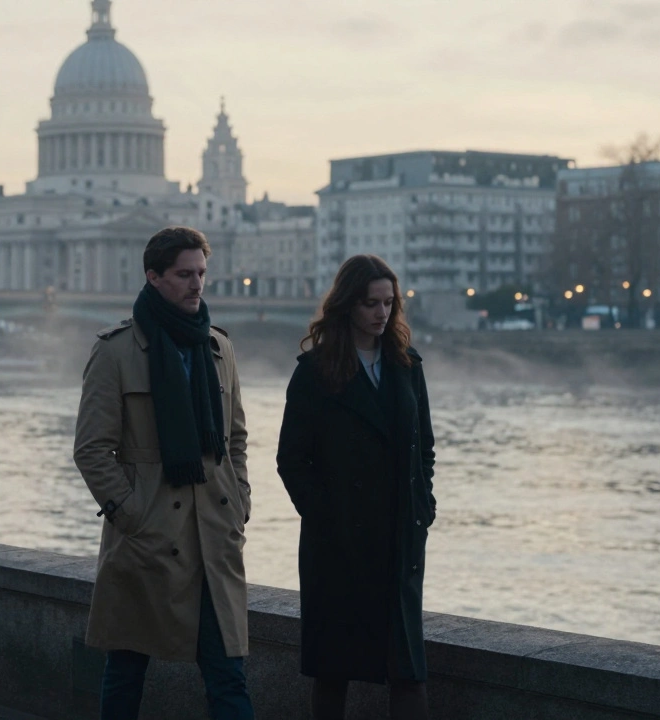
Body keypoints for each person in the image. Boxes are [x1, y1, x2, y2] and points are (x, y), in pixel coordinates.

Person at [74, 226, 254, 720]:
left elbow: (236, 439)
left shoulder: (219, 348)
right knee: (127, 669)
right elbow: (91, 450)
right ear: (154, 277)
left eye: (201, 273)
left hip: (215, 538)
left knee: (229, 675)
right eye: (183, 275)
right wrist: (135, 518)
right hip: (147, 540)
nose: (197, 284)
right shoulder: (115, 352)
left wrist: (240, 503)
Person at [276, 255, 437, 720]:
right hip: (338, 542)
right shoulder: (315, 371)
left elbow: (423, 446)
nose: (381, 313)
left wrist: (422, 505)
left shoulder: (407, 366)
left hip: (399, 539)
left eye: (389, 302)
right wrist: (324, 514)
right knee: (334, 670)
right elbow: (291, 459)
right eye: (371, 303)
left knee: (408, 670)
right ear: (347, 305)